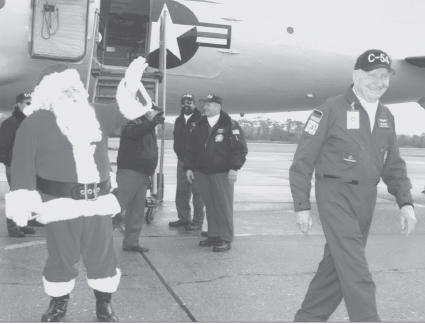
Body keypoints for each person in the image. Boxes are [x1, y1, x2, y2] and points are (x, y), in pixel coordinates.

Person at [5, 57, 152, 322]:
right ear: (49, 92)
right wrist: (23, 198)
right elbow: (22, 162)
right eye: (65, 87)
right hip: (58, 203)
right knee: (62, 255)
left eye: (74, 87)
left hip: (98, 201)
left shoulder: (96, 112)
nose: (72, 91)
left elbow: (127, 110)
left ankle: (104, 303)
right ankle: (58, 303)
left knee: (102, 254)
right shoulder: (35, 122)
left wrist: (130, 85)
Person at [289, 49, 417, 322]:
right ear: (356, 76)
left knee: (336, 266)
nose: (378, 82)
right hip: (335, 194)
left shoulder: (386, 116)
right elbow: (302, 161)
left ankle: (307, 318)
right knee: (356, 269)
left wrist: (405, 202)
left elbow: (393, 164)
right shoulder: (329, 109)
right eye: (372, 75)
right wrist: (302, 205)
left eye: (384, 76)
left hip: (366, 197)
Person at [185, 94, 248, 252]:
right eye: (205, 104)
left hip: (222, 172)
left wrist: (234, 167)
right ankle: (214, 235)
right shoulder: (199, 125)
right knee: (210, 205)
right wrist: (189, 167)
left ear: (218, 107)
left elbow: (240, 149)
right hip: (203, 172)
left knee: (224, 206)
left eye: (209, 105)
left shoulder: (230, 125)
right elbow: (191, 149)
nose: (205, 107)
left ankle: (225, 238)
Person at [113, 104, 165, 253]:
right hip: (130, 171)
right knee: (116, 208)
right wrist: (152, 123)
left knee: (136, 211)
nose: (156, 113)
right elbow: (133, 133)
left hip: (142, 172)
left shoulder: (147, 125)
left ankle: (131, 242)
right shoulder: (134, 121)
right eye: (155, 110)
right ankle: (96, 241)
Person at [0, 93, 37, 237]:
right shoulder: (11, 122)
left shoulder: (29, 122)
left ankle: (22, 224)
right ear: (18, 104)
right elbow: (2, 147)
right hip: (15, 166)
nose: (31, 106)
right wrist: (11, 164)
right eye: (27, 103)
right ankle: (12, 227)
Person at [169, 93, 205, 232]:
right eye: (184, 103)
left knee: (197, 193)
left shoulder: (201, 120)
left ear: (194, 104)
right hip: (182, 161)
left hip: (196, 163)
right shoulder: (178, 120)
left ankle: (197, 221)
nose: (186, 105)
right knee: (182, 191)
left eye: (189, 102)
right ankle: (184, 218)